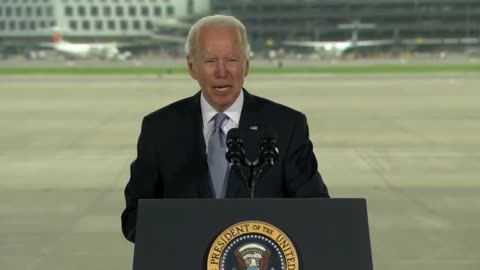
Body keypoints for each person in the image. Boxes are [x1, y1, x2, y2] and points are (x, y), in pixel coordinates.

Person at [121, 15, 329, 243]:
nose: (222, 71)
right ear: (192, 67)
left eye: (232, 59)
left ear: (246, 65)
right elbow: (135, 218)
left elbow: (316, 212)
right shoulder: (159, 129)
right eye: (210, 61)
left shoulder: (287, 127)